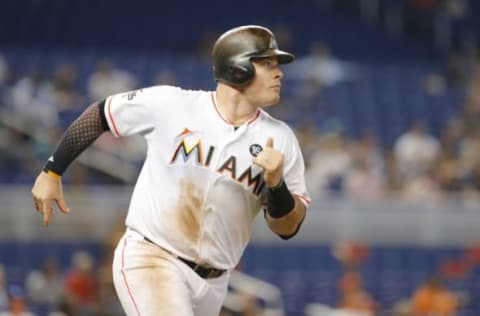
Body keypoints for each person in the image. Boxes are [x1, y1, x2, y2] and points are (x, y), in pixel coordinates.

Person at [31, 25, 310, 316]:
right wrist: (52, 171)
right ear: (237, 67)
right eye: (268, 64)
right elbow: (102, 113)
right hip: (153, 256)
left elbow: (287, 228)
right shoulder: (173, 104)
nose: (279, 73)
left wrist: (276, 185)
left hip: (215, 282)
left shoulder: (281, 139)